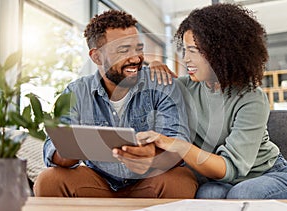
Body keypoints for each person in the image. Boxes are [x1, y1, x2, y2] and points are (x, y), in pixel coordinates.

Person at [34, 10, 198, 198]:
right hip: (99, 182)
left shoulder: (161, 83)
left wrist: (150, 157)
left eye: (138, 48)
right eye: (123, 50)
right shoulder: (76, 91)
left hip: (149, 180)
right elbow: (52, 151)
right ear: (96, 57)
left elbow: (178, 141)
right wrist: (73, 149)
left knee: (180, 179)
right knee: (49, 180)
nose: (136, 58)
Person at [142, 3, 287, 199]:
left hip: (270, 174)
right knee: (208, 194)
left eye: (194, 51)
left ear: (222, 52)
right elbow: (137, 90)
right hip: (221, 180)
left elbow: (231, 167)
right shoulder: (184, 87)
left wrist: (179, 145)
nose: (186, 59)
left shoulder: (251, 97)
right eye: (185, 50)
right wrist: (151, 68)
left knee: (243, 193)